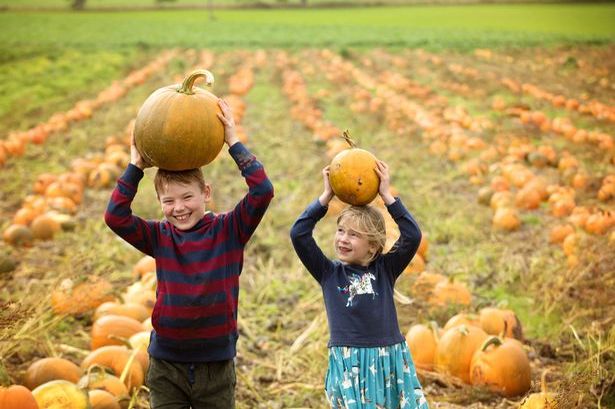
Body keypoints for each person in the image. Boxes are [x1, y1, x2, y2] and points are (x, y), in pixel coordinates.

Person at [104, 99, 274, 408]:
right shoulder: (159, 236)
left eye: (187, 197)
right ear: (158, 201)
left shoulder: (229, 231)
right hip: (166, 363)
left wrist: (233, 142)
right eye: (168, 201)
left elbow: (262, 191)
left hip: (216, 367)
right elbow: (115, 217)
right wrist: (135, 167)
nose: (179, 208)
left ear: (206, 193)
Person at [290, 161, 428, 409]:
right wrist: (326, 197)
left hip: (388, 362)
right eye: (341, 230)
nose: (343, 239)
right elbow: (299, 234)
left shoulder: (385, 270)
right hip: (350, 364)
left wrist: (387, 196)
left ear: (373, 246)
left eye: (353, 235)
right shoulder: (329, 273)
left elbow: (413, 236)